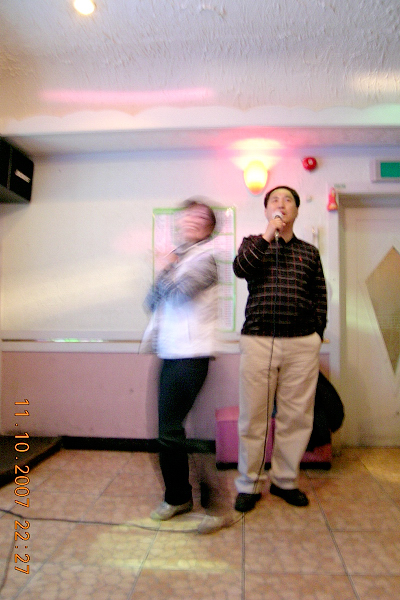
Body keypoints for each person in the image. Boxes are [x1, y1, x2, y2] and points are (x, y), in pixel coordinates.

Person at [233, 186, 327, 512]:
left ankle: (285, 480)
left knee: (295, 417)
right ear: (266, 210)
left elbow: (319, 296)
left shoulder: (310, 252)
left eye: (288, 200)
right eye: (275, 200)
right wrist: (267, 235)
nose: (282, 204)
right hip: (259, 340)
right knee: (253, 418)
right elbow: (241, 268)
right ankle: (249, 484)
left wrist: (316, 335)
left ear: (297, 210)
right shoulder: (253, 243)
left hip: (302, 344)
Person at [143, 197, 232, 534]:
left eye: (201, 217)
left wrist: (166, 268)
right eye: (188, 215)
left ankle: (215, 504)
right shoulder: (180, 258)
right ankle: (179, 497)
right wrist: (168, 268)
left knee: (176, 431)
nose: (192, 220)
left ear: (210, 228)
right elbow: (150, 301)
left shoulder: (206, 259)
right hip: (170, 352)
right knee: (169, 430)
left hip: (191, 355)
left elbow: (179, 296)